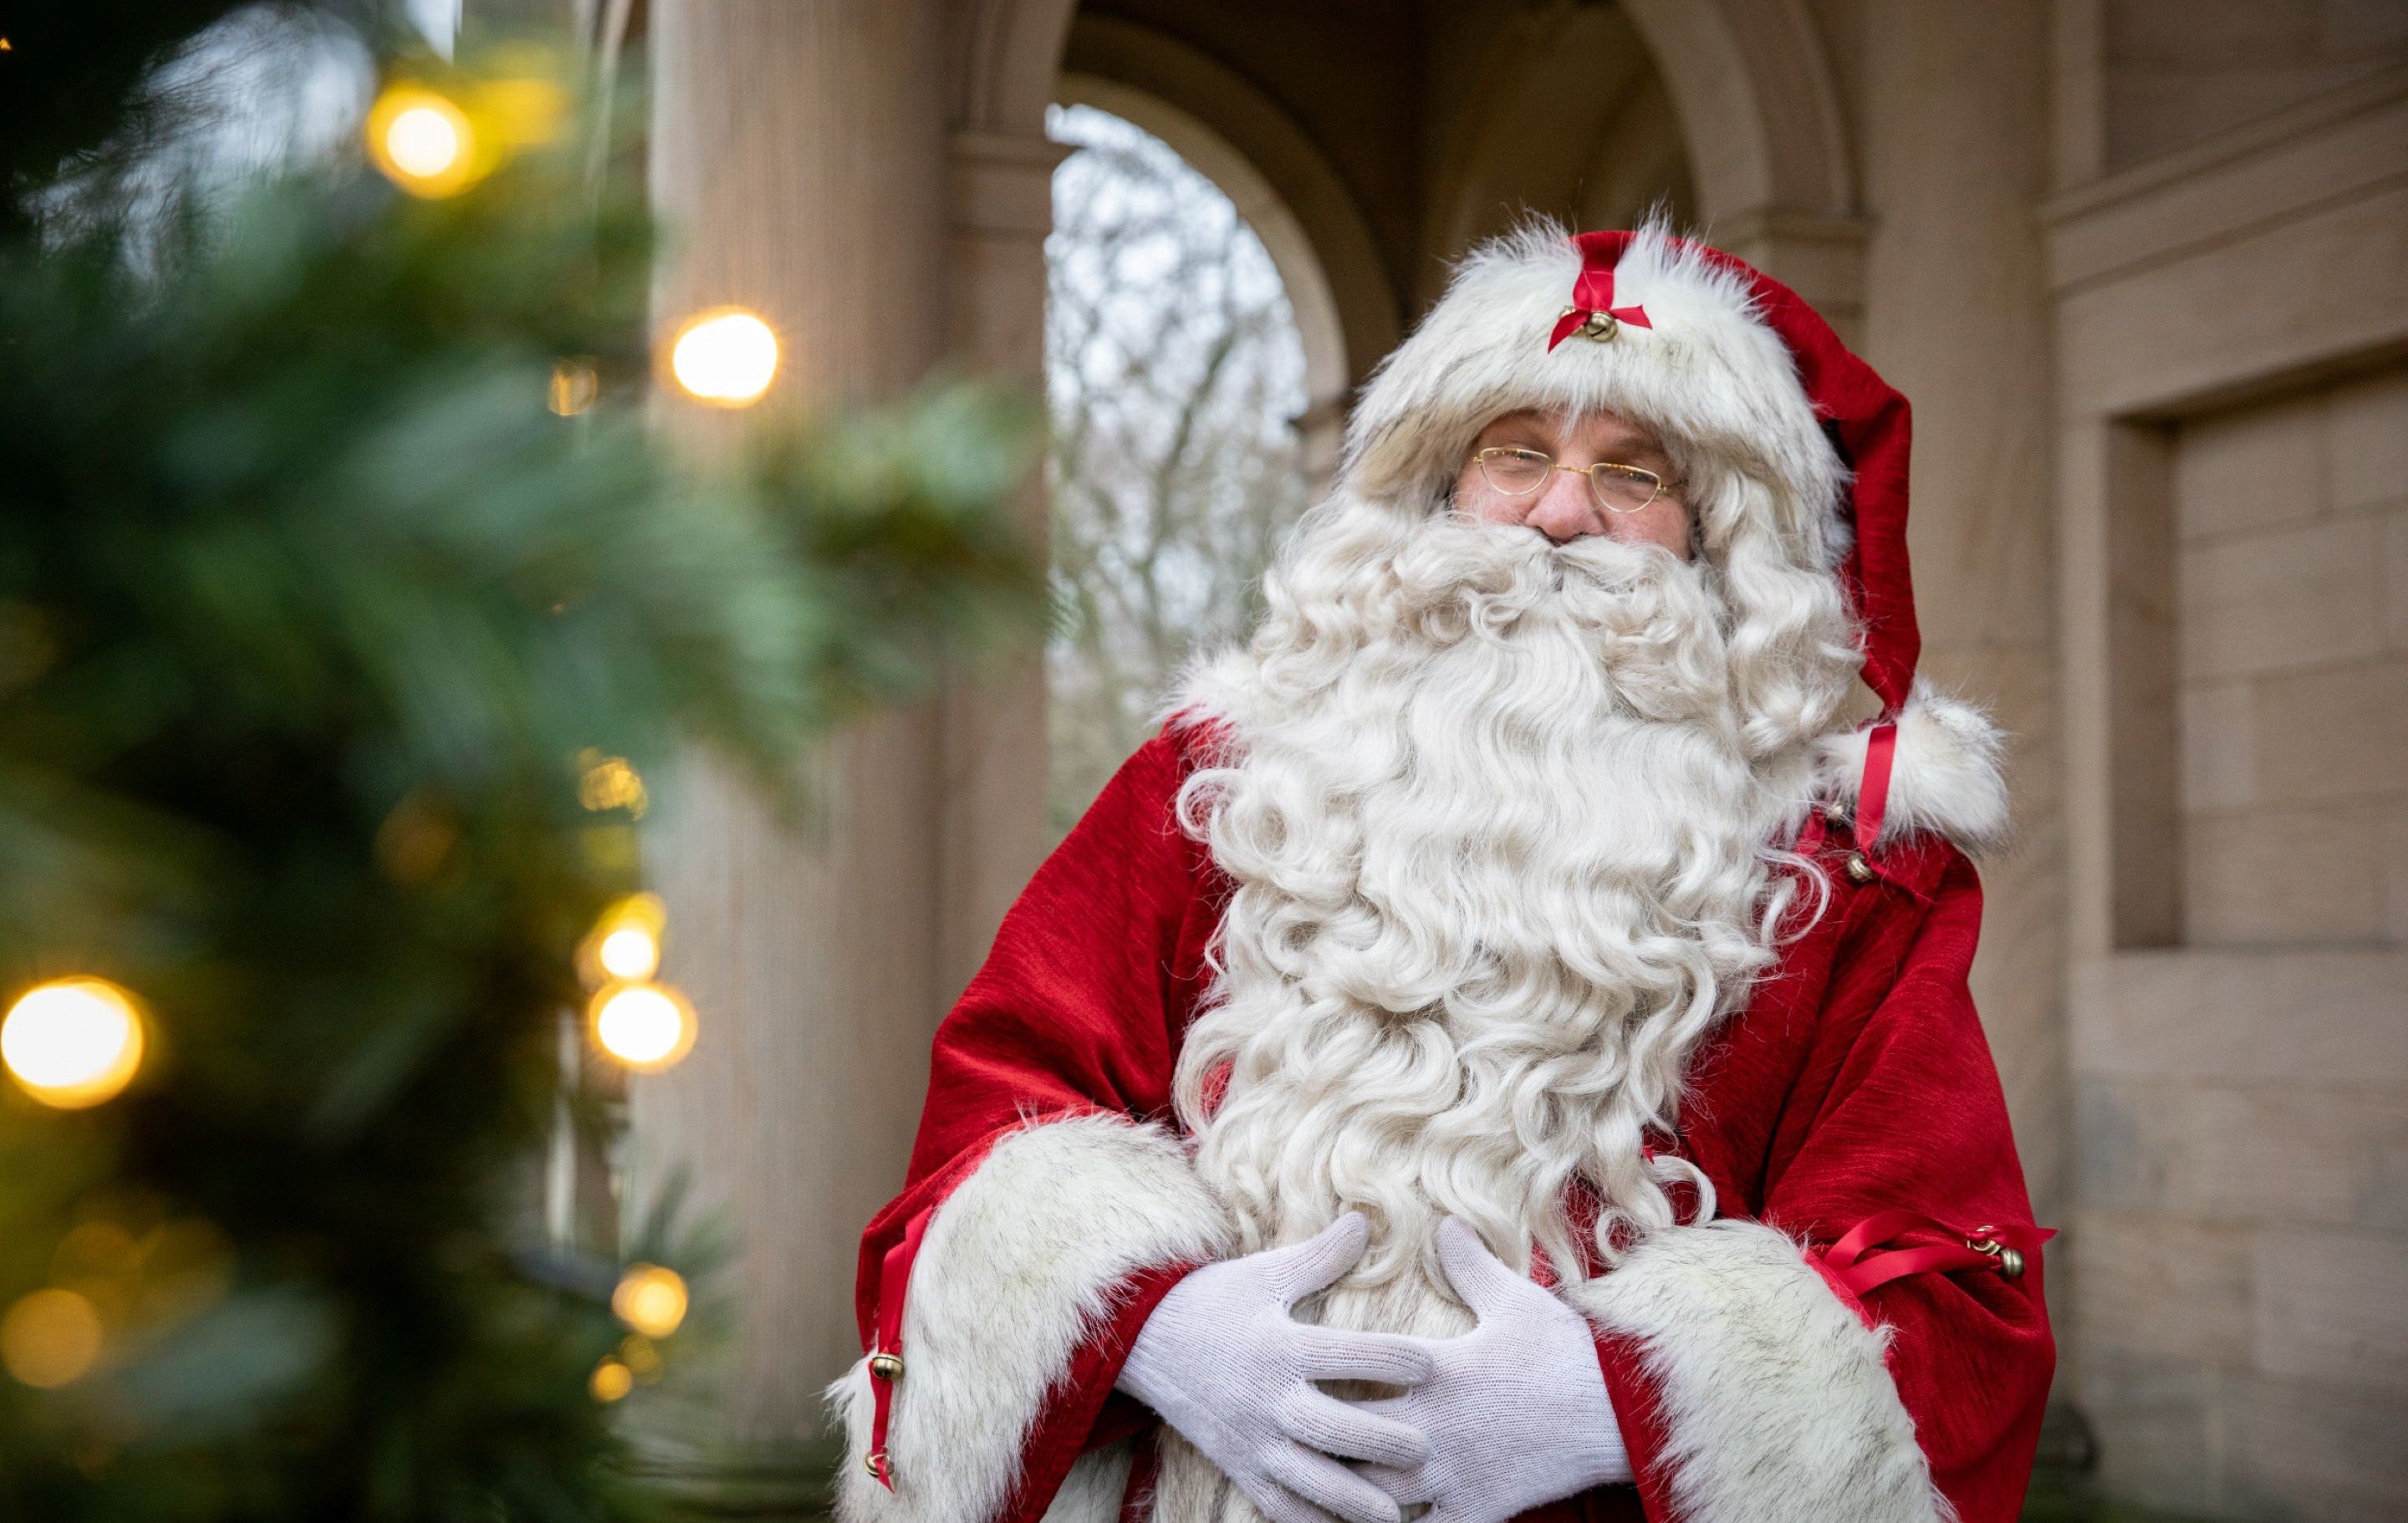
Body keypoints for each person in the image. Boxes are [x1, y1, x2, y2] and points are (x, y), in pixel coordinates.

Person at [830, 224, 2053, 1523]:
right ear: (1438, 489)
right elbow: (999, 1108)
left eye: (1632, 473)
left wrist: (1615, 1403)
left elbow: (1949, 1287)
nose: (1562, 514)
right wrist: (1156, 1332)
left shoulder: (1841, 871)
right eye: (1516, 454)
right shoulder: (1222, 781)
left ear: (1715, 535)